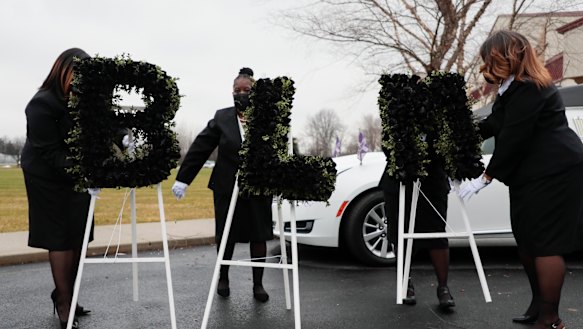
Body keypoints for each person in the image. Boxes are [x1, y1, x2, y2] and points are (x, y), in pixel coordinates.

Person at [460, 30, 583, 329]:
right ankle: (538, 306)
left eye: (491, 58)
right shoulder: (512, 87)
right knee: (527, 242)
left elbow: (514, 137)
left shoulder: (531, 87)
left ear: (509, 55)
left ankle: (550, 318)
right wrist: (458, 132)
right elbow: (494, 124)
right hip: (531, 174)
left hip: (555, 172)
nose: (487, 65)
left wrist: (485, 177)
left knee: (545, 244)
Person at [172, 67, 273, 302]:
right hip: (226, 187)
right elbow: (200, 147)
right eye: (236, 90)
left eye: (246, 90)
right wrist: (183, 179)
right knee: (226, 235)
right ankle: (223, 277)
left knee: (259, 235)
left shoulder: (266, 118)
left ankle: (258, 285)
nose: (241, 94)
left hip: (257, 188)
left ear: (255, 92)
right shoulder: (222, 118)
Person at [21, 48, 98, 329]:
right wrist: (86, 173)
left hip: (76, 174)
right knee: (60, 237)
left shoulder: (84, 102)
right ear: (62, 70)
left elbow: (104, 129)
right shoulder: (41, 104)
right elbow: (50, 153)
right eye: (77, 73)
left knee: (79, 234)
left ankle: (68, 292)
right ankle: (64, 301)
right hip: (45, 176)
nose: (81, 80)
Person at [378, 137, 455, 309]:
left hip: (433, 179)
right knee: (400, 232)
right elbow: (387, 143)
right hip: (399, 179)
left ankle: (443, 288)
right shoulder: (396, 111)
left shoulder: (439, 114)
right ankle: (406, 284)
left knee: (437, 233)